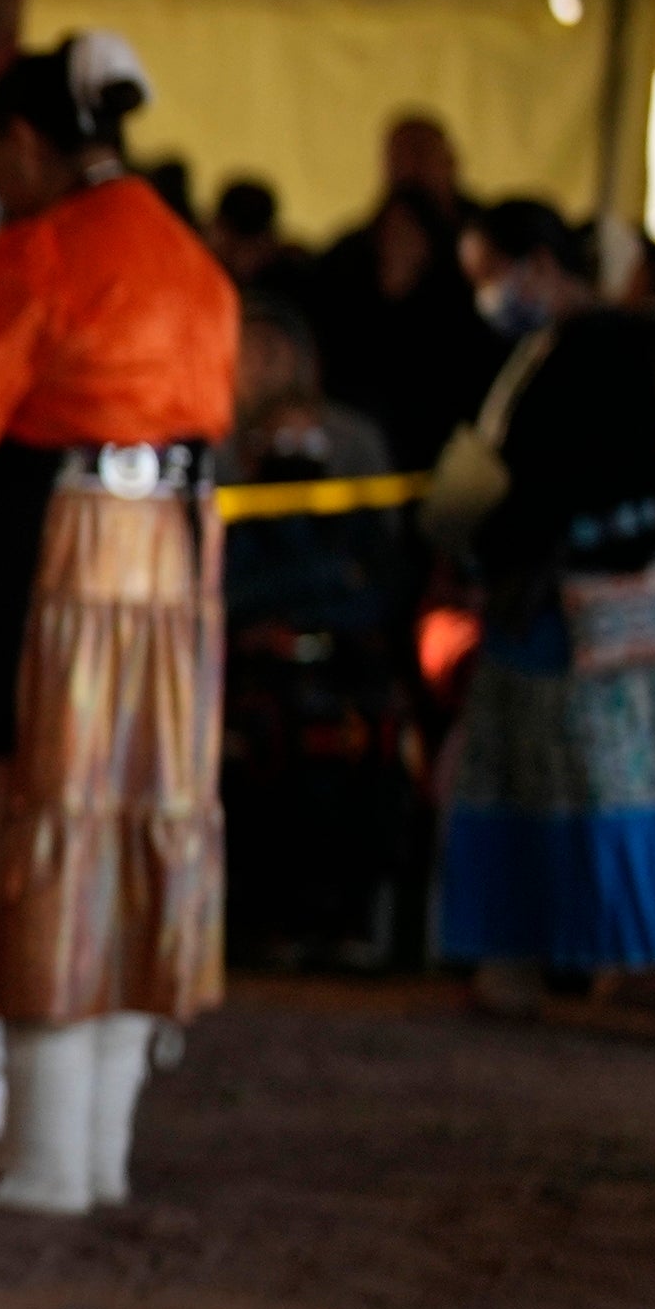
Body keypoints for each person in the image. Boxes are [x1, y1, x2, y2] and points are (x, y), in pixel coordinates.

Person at [0, 31, 238, 1213]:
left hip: (55, 561)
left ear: (23, 145)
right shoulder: (192, 260)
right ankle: (95, 1159)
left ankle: (37, 1163)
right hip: (173, 568)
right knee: (137, 825)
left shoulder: (35, 254)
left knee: (44, 819)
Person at [423, 201, 655, 1030]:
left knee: (619, 783)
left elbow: (574, 472)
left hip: (585, 606)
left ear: (541, 265)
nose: (490, 294)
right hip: (557, 607)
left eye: (492, 273)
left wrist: (497, 526)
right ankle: (532, 968)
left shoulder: (604, 345)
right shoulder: (569, 346)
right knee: (548, 781)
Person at [216, 291, 414, 968]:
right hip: (256, 670)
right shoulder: (223, 458)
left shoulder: (356, 458)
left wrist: (319, 600)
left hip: (344, 668)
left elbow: (376, 581)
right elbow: (230, 583)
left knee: (358, 759)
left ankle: (348, 915)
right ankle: (273, 916)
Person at [302, 113, 496, 472]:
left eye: (422, 155)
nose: (411, 171)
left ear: (450, 161)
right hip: (378, 437)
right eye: (399, 159)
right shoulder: (351, 253)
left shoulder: (492, 241)